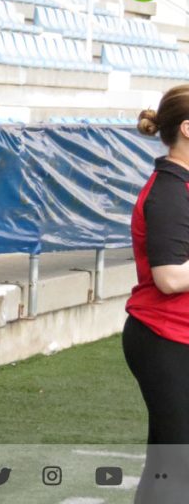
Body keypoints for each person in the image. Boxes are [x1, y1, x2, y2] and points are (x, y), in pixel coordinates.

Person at [125, 84, 189, 504]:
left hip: (175, 336)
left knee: (168, 462)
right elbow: (169, 277)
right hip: (163, 338)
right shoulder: (168, 192)